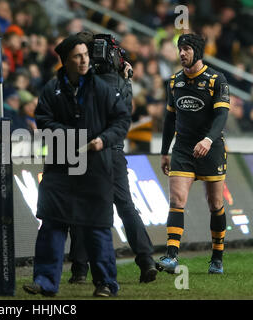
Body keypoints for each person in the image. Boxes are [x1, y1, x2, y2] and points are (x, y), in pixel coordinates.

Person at [23, 35, 131, 297]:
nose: (85, 60)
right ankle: (45, 282)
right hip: (60, 168)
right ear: (65, 61)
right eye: (78, 56)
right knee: (52, 225)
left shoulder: (102, 88)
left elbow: (121, 120)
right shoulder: (51, 90)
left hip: (95, 168)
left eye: (86, 55)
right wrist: (71, 136)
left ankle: (106, 283)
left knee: (97, 227)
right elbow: (43, 120)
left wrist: (103, 140)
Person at [66, 31, 157, 284]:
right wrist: (126, 80)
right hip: (114, 151)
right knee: (126, 206)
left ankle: (80, 270)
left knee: (82, 209)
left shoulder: (78, 80)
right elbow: (125, 113)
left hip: (84, 151)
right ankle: (146, 259)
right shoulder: (121, 83)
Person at [157, 33, 230, 275]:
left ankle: (217, 257)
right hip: (183, 149)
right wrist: (164, 151)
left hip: (211, 148)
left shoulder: (216, 80)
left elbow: (221, 116)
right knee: (177, 200)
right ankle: (171, 256)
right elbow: (169, 119)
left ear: (197, 52)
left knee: (215, 204)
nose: (182, 53)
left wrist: (209, 140)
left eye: (186, 49)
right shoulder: (174, 81)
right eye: (180, 49)